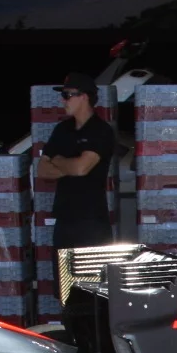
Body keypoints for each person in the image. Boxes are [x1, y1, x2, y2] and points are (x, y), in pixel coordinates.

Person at [37, 72, 116, 255]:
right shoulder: (62, 129)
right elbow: (42, 170)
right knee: (62, 272)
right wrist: (71, 166)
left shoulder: (101, 130)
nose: (63, 100)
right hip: (64, 219)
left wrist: (58, 160)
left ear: (84, 97)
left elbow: (81, 168)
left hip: (92, 221)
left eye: (67, 95)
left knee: (92, 272)